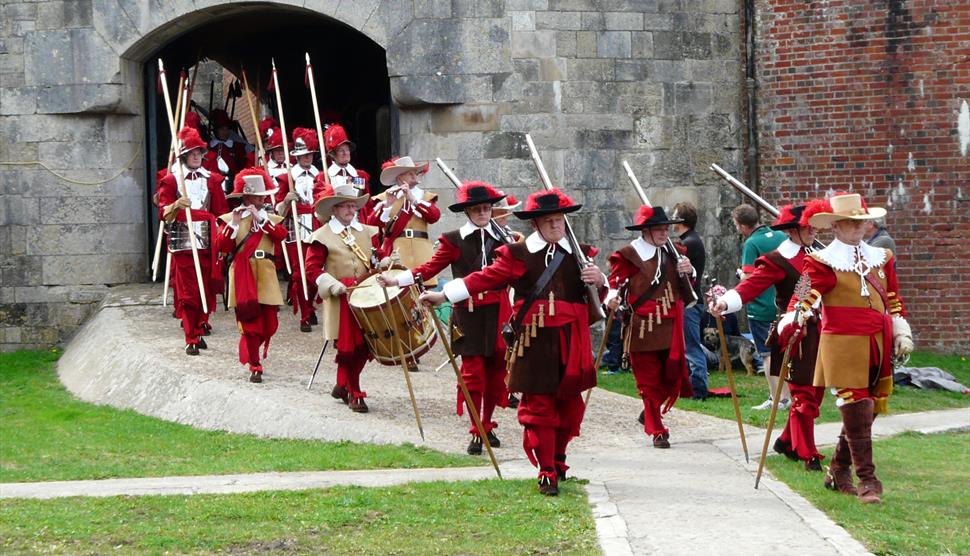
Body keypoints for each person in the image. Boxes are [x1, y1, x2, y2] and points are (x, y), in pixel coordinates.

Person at [420, 188, 607, 496]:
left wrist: (599, 280)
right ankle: (546, 468)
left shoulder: (579, 253)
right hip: (535, 341)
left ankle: (559, 459)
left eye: (559, 220)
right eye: (549, 221)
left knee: (569, 405)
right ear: (535, 224)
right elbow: (482, 278)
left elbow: (598, 296)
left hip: (572, 340)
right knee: (539, 406)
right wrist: (445, 294)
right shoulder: (517, 255)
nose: (556, 226)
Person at [779, 192, 913, 504]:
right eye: (850, 223)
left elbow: (892, 299)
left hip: (877, 342)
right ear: (836, 226)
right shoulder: (821, 261)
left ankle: (838, 469)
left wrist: (900, 330)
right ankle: (867, 480)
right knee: (857, 406)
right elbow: (804, 294)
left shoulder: (881, 258)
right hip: (841, 342)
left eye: (861, 223)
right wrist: (794, 317)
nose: (857, 228)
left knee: (868, 410)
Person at [379, 182, 512, 454]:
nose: (483, 213)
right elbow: (430, 267)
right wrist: (396, 280)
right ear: (467, 211)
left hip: (499, 312)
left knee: (496, 372)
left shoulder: (506, 240)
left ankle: (487, 423)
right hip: (468, 311)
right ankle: (476, 429)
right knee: (473, 374)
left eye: (487, 208)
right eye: (477, 209)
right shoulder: (454, 240)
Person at [712, 203, 825, 470]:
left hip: (823, 331)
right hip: (795, 332)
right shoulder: (778, 259)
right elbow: (752, 285)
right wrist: (726, 303)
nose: (813, 230)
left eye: (813, 225)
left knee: (816, 394)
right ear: (793, 230)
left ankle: (787, 440)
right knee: (804, 394)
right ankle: (808, 453)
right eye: (807, 226)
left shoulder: (820, 253)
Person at [607, 205, 695, 448]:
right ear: (645, 230)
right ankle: (657, 428)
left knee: (672, 375)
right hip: (642, 326)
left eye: (666, 228)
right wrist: (611, 299)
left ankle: (651, 408)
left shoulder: (675, 252)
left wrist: (689, 270)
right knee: (648, 381)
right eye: (659, 229)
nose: (664, 233)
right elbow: (615, 283)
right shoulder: (629, 254)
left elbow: (686, 284)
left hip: (671, 324)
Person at [305, 183, 377, 413]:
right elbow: (312, 269)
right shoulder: (322, 236)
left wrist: (383, 264)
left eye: (353, 205)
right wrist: (332, 285)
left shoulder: (366, 231)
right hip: (341, 297)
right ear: (334, 209)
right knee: (348, 348)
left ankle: (342, 384)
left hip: (366, 295)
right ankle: (354, 391)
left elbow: (374, 259)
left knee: (367, 345)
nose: (351, 210)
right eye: (345, 206)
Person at [157, 126, 229, 355]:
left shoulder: (213, 180)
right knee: (189, 292)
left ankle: (200, 326)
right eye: (192, 153)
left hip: (209, 238)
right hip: (184, 241)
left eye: (200, 152)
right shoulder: (171, 181)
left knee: (206, 288)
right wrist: (176, 205)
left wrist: (224, 240)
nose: (197, 156)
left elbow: (221, 212)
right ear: (184, 156)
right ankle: (190, 337)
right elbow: (162, 213)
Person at [215, 169, 287, 383]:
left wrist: (261, 220)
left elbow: (280, 237)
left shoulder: (271, 218)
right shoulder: (229, 219)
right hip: (242, 272)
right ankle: (255, 363)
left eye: (263, 195)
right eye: (256, 196)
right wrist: (235, 224)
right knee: (251, 323)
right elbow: (222, 247)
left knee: (270, 322)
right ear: (245, 197)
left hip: (266, 271)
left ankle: (253, 352)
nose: (261, 199)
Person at [372, 155, 441, 372]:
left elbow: (434, 217)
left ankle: (421, 340)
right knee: (401, 301)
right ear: (399, 176)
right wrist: (388, 205)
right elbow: (373, 226)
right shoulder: (385, 197)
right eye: (411, 173)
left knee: (422, 298)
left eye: (415, 172)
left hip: (421, 248)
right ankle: (408, 346)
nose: (416, 175)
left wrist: (412, 198)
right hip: (399, 249)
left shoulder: (424, 196)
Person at [731, 203, 787, 410]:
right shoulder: (780, 236)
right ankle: (787, 397)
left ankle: (777, 399)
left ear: (742, 226)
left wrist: (739, 275)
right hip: (783, 304)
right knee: (783, 352)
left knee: (767, 354)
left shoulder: (752, 243)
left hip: (761, 306)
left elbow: (748, 276)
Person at [275, 127, 322, 332]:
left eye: (310, 154)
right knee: (299, 273)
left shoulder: (321, 175)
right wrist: (286, 200)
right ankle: (304, 313)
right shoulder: (287, 178)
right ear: (296, 156)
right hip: (296, 226)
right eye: (304, 155)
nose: (307, 158)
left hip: (317, 224)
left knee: (315, 271)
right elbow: (277, 210)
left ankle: (310, 305)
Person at [671, 201, 708, 399]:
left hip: (691, 303)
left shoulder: (689, 243)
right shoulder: (690, 240)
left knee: (692, 347)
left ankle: (699, 390)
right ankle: (690, 387)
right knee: (687, 346)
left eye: (675, 216)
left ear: (681, 220)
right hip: (689, 302)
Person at [324, 123, 374, 220]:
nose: (345, 153)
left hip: (356, 222)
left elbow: (367, 205)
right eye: (341, 150)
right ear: (333, 154)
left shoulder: (359, 175)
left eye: (347, 149)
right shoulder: (325, 176)